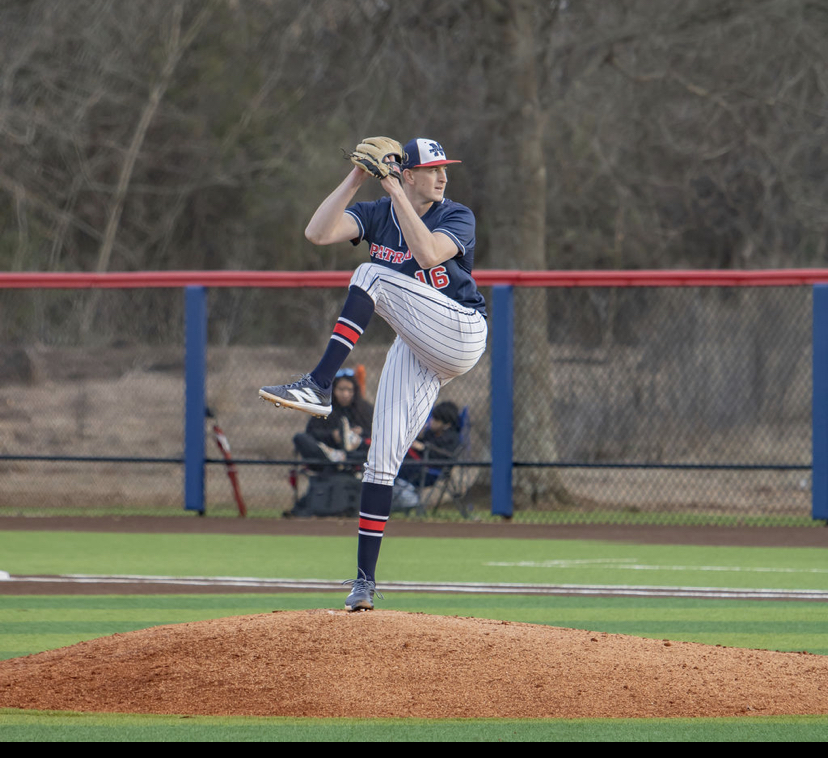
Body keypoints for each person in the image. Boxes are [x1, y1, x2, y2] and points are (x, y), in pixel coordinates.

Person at [259, 136, 487, 611]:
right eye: (432, 169)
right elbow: (317, 233)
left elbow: (428, 254)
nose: (443, 176)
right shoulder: (379, 213)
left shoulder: (456, 215)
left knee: (370, 275)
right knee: (380, 461)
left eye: (444, 168)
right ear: (409, 173)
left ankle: (318, 384)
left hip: (461, 331)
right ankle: (364, 584)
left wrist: (394, 188)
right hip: (418, 344)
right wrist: (357, 176)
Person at [292, 369, 373, 469]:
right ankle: (337, 457)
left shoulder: (365, 409)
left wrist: (360, 433)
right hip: (328, 453)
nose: (345, 394)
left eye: (349, 390)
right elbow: (311, 432)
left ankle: (345, 458)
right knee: (300, 438)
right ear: (334, 389)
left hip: (356, 454)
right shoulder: (323, 408)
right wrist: (332, 435)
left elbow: (374, 434)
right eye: (341, 390)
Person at [397, 401, 462, 488]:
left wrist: (423, 448)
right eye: (432, 418)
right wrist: (419, 437)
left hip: (429, 470)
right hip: (418, 463)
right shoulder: (431, 432)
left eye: (436, 420)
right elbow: (421, 443)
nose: (432, 421)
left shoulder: (452, 439)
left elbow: (444, 457)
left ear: (447, 425)